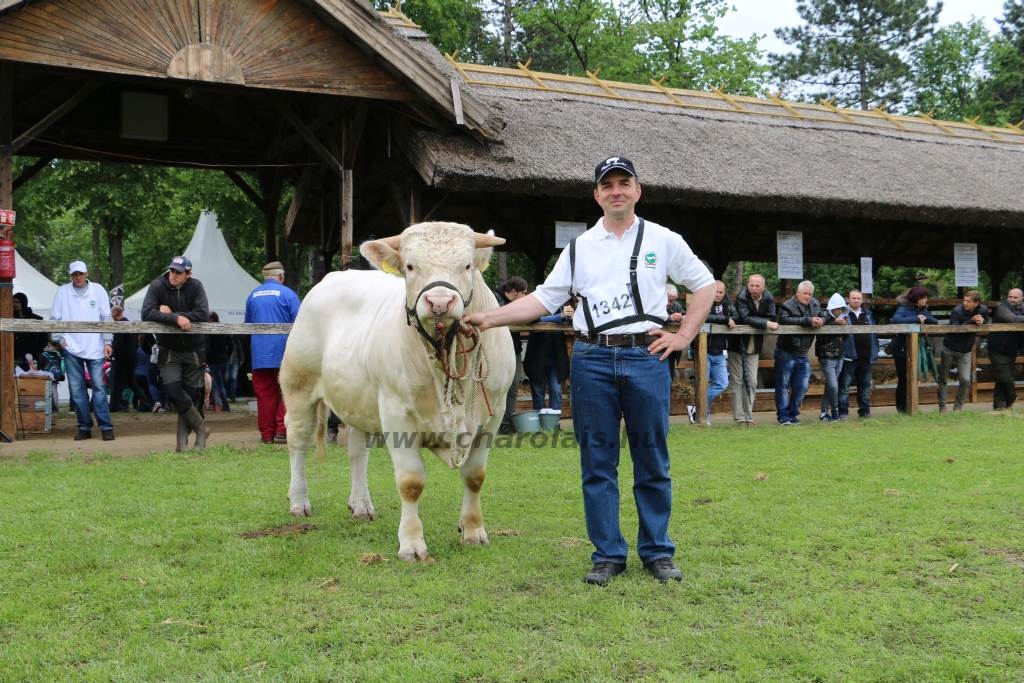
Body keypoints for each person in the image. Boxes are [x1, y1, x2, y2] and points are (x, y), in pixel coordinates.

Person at [462, 155, 715, 586]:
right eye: (608, 185)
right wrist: (490, 318)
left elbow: (704, 284)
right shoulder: (579, 247)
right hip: (593, 359)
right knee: (597, 462)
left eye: (624, 183)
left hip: (645, 357)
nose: (616, 191)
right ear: (597, 194)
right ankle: (608, 555)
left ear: (638, 190)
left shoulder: (663, 239)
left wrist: (684, 336)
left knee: (652, 458)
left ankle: (657, 551)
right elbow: (544, 299)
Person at [141, 255, 211, 451]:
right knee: (173, 391)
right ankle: (201, 428)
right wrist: (174, 318)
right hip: (168, 350)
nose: (173, 275)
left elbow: (202, 314)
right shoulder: (158, 285)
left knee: (189, 395)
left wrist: (173, 314)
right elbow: (146, 313)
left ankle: (182, 446)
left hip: (193, 349)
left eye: (178, 272)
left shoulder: (196, 286)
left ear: (188, 274)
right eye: (172, 270)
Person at [50, 260, 116, 441]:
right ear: (71, 275)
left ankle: (106, 426)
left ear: (86, 274)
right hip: (71, 347)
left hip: (95, 346)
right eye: (74, 274)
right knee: (76, 390)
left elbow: (106, 316)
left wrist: (108, 341)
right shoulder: (62, 292)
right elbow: (55, 317)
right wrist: (60, 340)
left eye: (80, 274)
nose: (78, 277)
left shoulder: (99, 290)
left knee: (100, 389)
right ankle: (84, 426)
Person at [245, 260, 301, 444]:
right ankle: (281, 431)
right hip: (285, 355)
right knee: (287, 392)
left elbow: (247, 325)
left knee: (264, 396)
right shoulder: (289, 295)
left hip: (260, 356)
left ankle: (267, 435)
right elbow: (301, 326)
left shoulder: (252, 295)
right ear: (281, 276)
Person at [728, 274, 779, 426]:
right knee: (737, 381)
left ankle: (748, 416)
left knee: (752, 380)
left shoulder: (769, 299)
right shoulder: (742, 297)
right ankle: (740, 418)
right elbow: (745, 317)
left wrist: (765, 322)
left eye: (757, 285)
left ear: (763, 287)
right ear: (747, 285)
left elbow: (772, 316)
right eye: (751, 285)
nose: (754, 288)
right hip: (736, 342)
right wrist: (765, 323)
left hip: (754, 343)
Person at [775, 280, 824, 425]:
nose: (807, 296)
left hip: (803, 353)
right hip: (786, 352)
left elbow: (825, 315)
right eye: (805, 293)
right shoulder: (787, 305)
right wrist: (808, 320)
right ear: (797, 293)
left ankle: (793, 414)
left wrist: (821, 320)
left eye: (810, 294)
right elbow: (784, 319)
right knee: (783, 386)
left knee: (802, 387)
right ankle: (783, 417)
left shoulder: (815, 304)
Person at [689, 280, 734, 425]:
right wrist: (726, 319)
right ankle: (703, 415)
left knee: (722, 383)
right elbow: (704, 317)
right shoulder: (702, 301)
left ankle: (696, 408)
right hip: (703, 351)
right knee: (702, 383)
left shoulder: (728, 303)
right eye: (716, 291)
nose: (718, 294)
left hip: (719, 352)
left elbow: (737, 316)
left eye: (721, 292)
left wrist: (731, 319)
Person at [937, 290, 989, 412]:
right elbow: (956, 329)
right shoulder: (957, 311)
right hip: (949, 347)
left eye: (968, 301)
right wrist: (971, 321)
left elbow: (986, 322)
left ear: (976, 303)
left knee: (965, 379)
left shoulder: (983, 309)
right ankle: (942, 407)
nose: (965, 303)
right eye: (964, 300)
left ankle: (958, 407)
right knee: (943, 378)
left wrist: (982, 321)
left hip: (966, 350)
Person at [890, 286, 937, 414]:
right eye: (924, 297)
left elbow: (935, 321)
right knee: (904, 379)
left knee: (914, 378)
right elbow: (896, 320)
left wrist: (924, 317)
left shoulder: (923, 309)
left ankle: (912, 406)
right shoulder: (903, 308)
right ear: (918, 299)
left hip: (917, 349)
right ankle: (902, 408)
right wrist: (917, 319)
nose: (926, 300)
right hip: (901, 349)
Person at [494, 276, 529, 433]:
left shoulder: (518, 304)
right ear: (514, 291)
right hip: (495, 351)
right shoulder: (494, 298)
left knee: (513, 387)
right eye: (524, 292)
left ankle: (507, 424)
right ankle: (493, 424)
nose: (526, 296)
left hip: (514, 350)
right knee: (496, 388)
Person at [523, 303, 572, 412]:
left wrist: (568, 316)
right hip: (536, 360)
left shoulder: (561, 307)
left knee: (556, 391)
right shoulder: (536, 305)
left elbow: (570, 320)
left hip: (557, 361)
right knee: (538, 393)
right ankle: (539, 423)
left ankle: (553, 424)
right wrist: (559, 317)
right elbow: (532, 319)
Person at [838, 289, 878, 420]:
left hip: (866, 358)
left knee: (865, 387)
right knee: (844, 387)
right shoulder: (843, 315)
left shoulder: (868, 315)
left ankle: (865, 411)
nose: (856, 300)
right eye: (853, 298)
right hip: (849, 357)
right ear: (848, 299)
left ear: (862, 300)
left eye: (858, 298)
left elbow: (874, 335)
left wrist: (875, 352)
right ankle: (843, 412)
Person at [986, 287, 1024, 411]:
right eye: (1010, 296)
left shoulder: (1022, 309)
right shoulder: (1002, 308)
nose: (1012, 299)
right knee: (1006, 377)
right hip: (997, 348)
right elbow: (1013, 319)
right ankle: (1011, 397)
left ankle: (999, 406)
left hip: (1011, 349)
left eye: (1015, 297)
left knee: (1001, 378)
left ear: (1022, 298)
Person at [816, 293, 850, 422]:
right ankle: (835, 412)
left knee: (830, 386)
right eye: (837, 308)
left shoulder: (843, 319)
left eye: (841, 308)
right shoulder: (823, 314)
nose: (839, 311)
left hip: (839, 355)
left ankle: (824, 413)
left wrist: (844, 326)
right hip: (826, 356)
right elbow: (822, 324)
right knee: (833, 386)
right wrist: (835, 322)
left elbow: (846, 337)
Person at [108, 305, 138, 412]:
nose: (111, 315)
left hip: (121, 359)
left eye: (112, 313)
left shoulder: (120, 325)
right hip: (130, 359)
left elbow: (118, 344)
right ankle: (146, 402)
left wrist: (111, 354)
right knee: (132, 383)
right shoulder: (129, 325)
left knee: (116, 383)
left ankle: (114, 406)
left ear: (116, 313)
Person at [12, 292, 47, 372]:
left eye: (17, 302)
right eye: (13, 302)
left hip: (31, 357)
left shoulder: (36, 319)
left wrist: (35, 353)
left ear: (23, 302)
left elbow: (43, 339)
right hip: (14, 356)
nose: (14, 304)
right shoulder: (9, 318)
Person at [205, 312, 232, 412]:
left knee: (217, 385)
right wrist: (227, 356)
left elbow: (206, 346)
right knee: (222, 384)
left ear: (211, 320)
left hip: (213, 361)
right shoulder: (224, 328)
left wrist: (205, 359)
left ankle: (223, 406)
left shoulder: (209, 330)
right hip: (224, 360)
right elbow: (231, 345)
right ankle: (222, 405)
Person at [665, 284, 685, 381]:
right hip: (657, 347)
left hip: (672, 347)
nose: (671, 303)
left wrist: (684, 318)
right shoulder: (654, 305)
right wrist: (669, 318)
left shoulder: (676, 306)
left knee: (670, 375)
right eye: (669, 300)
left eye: (673, 300)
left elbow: (685, 315)